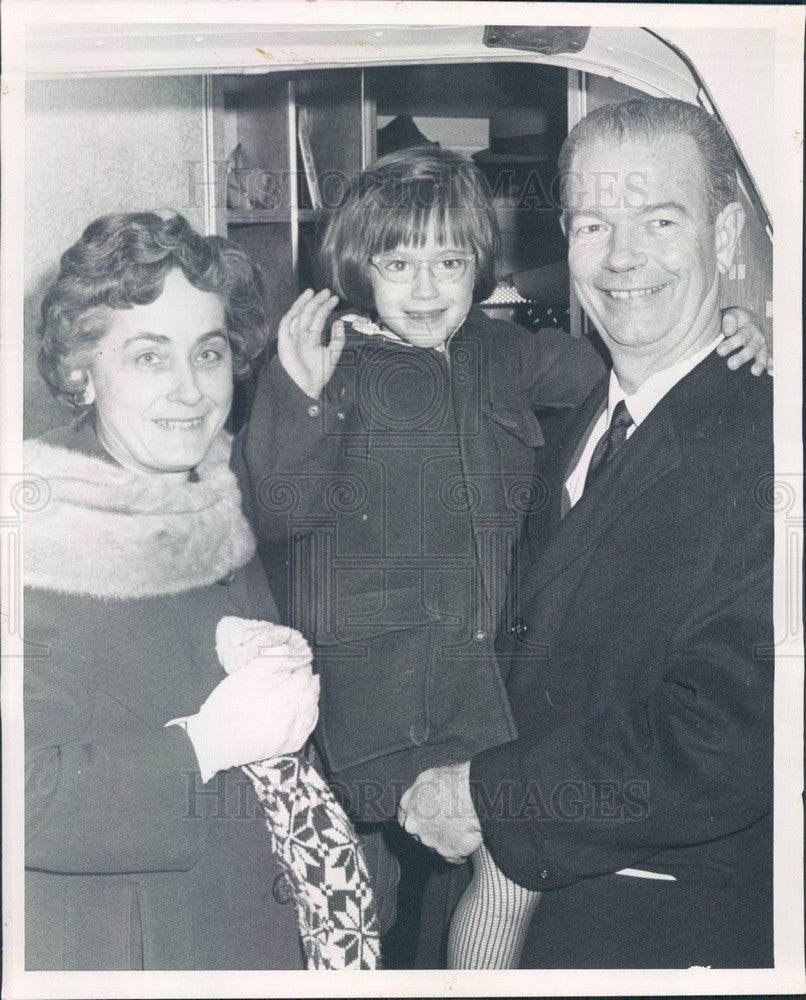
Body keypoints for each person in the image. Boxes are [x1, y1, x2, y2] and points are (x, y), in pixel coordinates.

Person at [235, 144, 770, 969]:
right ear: (357, 265)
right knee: (372, 899)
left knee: (495, 871)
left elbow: (630, 361)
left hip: (486, 692)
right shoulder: (328, 364)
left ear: (478, 269)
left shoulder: (497, 349)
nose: (426, 288)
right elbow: (279, 510)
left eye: (449, 262)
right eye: (399, 262)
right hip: (381, 703)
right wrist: (298, 397)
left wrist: (736, 326)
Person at [400, 98, 774, 969]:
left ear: (722, 238)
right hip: (499, 917)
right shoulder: (575, 421)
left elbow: (725, 737)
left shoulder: (771, 442)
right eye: (595, 222)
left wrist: (490, 796)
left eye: (660, 219)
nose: (623, 257)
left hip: (643, 938)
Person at [23, 212, 379, 971]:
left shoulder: (201, 482)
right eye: (150, 357)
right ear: (83, 368)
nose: (190, 390)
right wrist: (205, 743)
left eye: (208, 353)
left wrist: (243, 648)